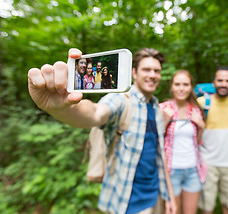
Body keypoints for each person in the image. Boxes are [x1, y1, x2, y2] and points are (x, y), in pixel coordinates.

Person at [27, 48, 176, 214]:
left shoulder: (156, 108)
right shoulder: (120, 99)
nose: (152, 75)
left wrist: (169, 196)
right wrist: (61, 108)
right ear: (134, 73)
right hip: (127, 202)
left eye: (157, 71)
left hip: (156, 197)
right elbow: (95, 113)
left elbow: (160, 157)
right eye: (146, 70)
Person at [197, 66, 228, 214]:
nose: (224, 84)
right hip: (207, 163)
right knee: (206, 206)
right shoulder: (202, 102)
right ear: (214, 82)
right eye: (220, 80)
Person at [159, 70, 207, 214]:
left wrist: (201, 127)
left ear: (191, 87)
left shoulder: (195, 110)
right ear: (171, 87)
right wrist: (165, 121)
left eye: (185, 85)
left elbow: (197, 142)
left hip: (193, 169)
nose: (181, 88)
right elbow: (154, 142)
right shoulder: (163, 108)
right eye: (177, 84)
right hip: (170, 171)